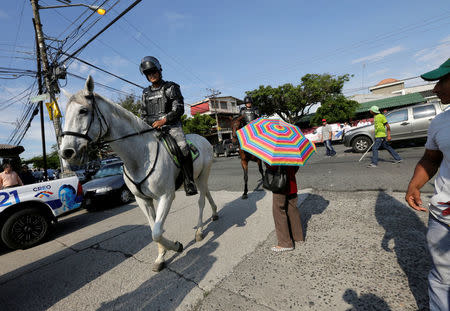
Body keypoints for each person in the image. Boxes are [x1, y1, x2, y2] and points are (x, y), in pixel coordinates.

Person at [405, 58, 450, 311]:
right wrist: (415, 184)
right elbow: (431, 159)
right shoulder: (440, 122)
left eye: (442, 81)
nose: (435, 89)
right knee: (442, 279)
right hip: (443, 216)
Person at [139, 56, 197, 196]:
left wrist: (163, 121)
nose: (151, 75)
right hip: (152, 128)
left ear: (159, 71)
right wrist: (149, 124)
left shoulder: (171, 87)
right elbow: (143, 114)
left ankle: (189, 181)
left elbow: (179, 109)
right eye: (148, 74)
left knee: (183, 146)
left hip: (171, 126)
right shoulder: (145, 93)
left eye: (153, 72)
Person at [266, 164, 304, 252]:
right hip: (292, 182)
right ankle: (298, 237)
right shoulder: (292, 151)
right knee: (293, 209)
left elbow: (272, 167)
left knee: (279, 211)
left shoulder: (276, 153)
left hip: (280, 184)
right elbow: (296, 166)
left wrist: (265, 162)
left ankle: (285, 243)